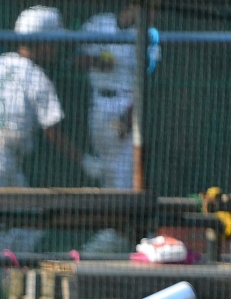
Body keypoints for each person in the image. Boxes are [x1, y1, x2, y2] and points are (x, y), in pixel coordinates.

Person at [0, 5, 89, 254]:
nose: (55, 49)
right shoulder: (36, 76)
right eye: (53, 43)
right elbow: (52, 131)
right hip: (0, 154)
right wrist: (84, 160)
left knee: (30, 218)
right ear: (42, 43)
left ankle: (5, 265)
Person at [78, 5, 138, 256]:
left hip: (126, 104)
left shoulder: (147, 33)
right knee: (109, 175)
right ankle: (109, 240)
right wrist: (98, 61)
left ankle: (113, 240)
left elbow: (147, 80)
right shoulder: (99, 23)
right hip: (100, 103)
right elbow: (79, 59)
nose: (155, 12)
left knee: (124, 177)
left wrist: (128, 117)